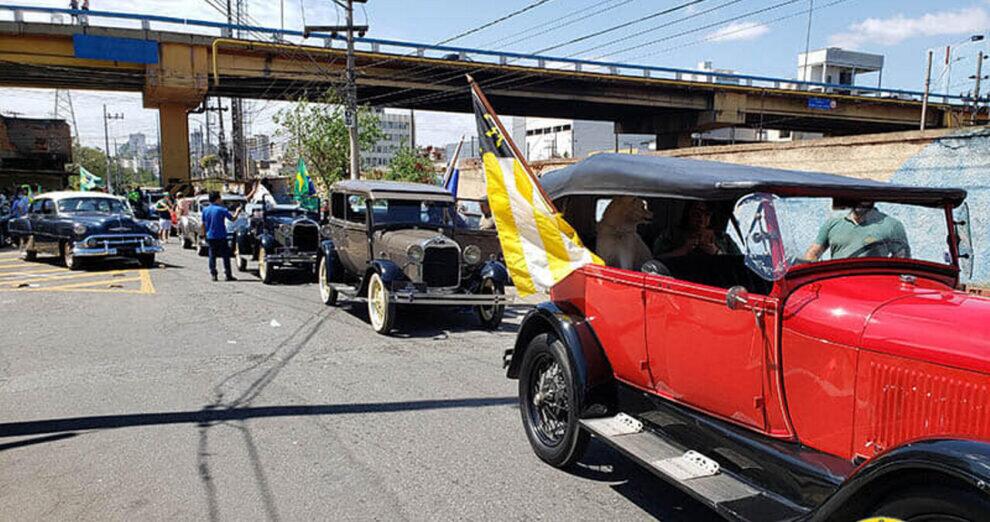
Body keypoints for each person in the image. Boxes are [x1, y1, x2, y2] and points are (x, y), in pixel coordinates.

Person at [804, 202, 909, 261]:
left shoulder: (892, 225)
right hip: (837, 286)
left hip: (874, 288)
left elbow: (902, 262)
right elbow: (813, 253)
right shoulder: (833, 223)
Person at [653, 201, 740, 258]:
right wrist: (683, 250)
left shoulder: (723, 238)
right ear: (688, 214)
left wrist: (716, 252)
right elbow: (655, 259)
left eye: (706, 214)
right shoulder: (671, 234)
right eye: (697, 213)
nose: (701, 218)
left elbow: (738, 263)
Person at [201, 192, 241, 281]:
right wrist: (237, 212)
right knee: (225, 256)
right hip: (221, 235)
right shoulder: (222, 209)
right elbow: (233, 219)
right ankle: (228, 274)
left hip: (210, 236)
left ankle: (213, 274)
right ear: (217, 199)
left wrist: (203, 235)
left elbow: (203, 224)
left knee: (212, 255)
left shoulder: (205, 210)